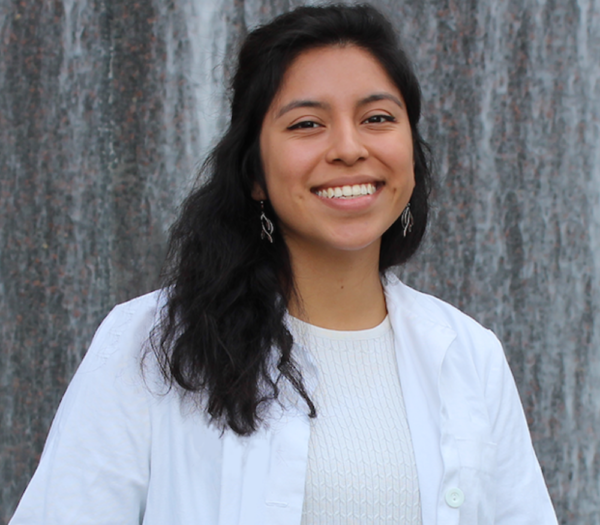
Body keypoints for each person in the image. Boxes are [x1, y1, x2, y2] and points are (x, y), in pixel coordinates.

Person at [10, 4, 558, 525]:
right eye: (306, 125)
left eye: (377, 118)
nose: (348, 147)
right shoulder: (152, 344)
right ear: (254, 173)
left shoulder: (470, 355)